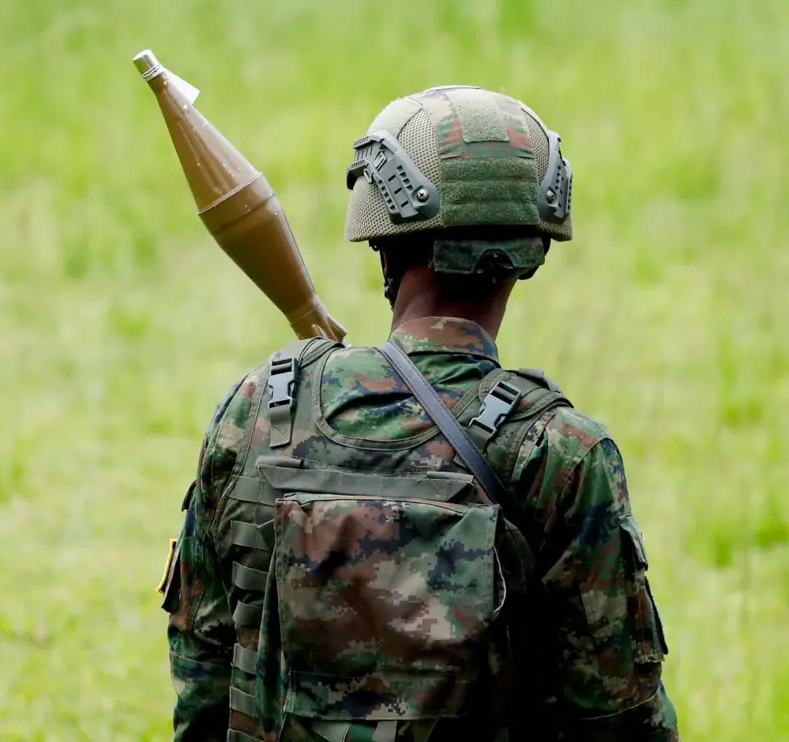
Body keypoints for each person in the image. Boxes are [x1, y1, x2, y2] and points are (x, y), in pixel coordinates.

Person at [160, 86, 679, 741]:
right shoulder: (560, 455)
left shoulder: (260, 411)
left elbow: (203, 670)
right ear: (532, 249)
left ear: (380, 236)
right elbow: (619, 717)